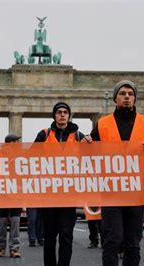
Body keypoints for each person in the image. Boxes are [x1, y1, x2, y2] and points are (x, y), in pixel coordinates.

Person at [89, 80, 144, 265]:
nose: (127, 97)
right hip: (111, 193)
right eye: (123, 93)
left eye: (131, 94)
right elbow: (88, 155)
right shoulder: (102, 124)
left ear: (135, 99)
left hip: (135, 194)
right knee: (111, 241)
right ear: (115, 98)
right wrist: (86, 142)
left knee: (132, 243)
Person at [35, 102, 86, 266]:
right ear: (54, 116)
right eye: (59, 112)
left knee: (66, 236)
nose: (62, 114)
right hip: (48, 197)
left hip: (69, 197)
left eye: (65, 112)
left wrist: (91, 145)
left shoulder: (79, 136)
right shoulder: (44, 134)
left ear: (69, 115)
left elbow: (92, 159)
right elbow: (29, 158)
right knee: (49, 237)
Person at [0, 134, 23, 258]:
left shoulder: (20, 155)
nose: (19, 143)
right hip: (3, 193)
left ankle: (13, 248)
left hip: (16, 193)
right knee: (2, 222)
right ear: (11, 143)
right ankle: (2, 248)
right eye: (17, 141)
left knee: (15, 221)